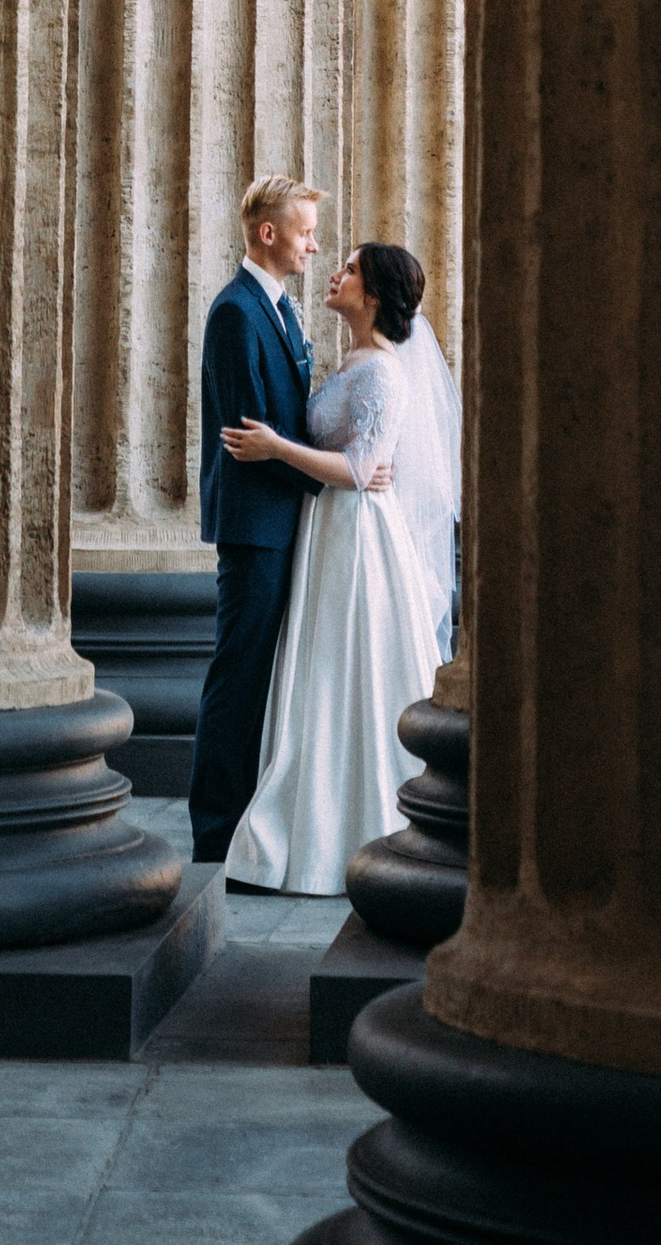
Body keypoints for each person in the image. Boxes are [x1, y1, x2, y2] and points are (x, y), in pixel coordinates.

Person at [221, 239, 459, 896]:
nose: (335, 272)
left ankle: (355, 827)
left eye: (350, 269)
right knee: (325, 672)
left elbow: (358, 471)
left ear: (375, 296)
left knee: (346, 669)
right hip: (331, 529)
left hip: (358, 539)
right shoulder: (355, 358)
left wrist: (277, 447)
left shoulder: (383, 370)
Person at [186, 174, 326, 862]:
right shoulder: (236, 311)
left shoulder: (280, 308)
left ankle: (246, 827)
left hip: (280, 519)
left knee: (259, 679)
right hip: (254, 525)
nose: (314, 246)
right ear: (268, 233)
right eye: (304, 233)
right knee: (238, 678)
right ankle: (215, 836)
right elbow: (251, 435)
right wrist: (336, 482)